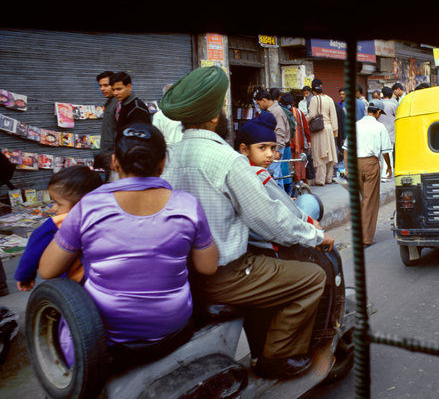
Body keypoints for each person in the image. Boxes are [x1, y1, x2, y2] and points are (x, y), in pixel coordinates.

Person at [159, 66, 334, 378]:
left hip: (185, 274)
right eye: (223, 106)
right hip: (225, 274)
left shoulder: (171, 156)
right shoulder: (227, 160)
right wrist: (315, 236)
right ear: (214, 116)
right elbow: (269, 220)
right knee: (312, 277)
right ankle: (277, 357)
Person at [40, 123, 218, 366]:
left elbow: (47, 270)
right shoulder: (187, 205)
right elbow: (208, 267)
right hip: (172, 327)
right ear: (163, 162)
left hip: (105, 337)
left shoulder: (89, 206)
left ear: (114, 161)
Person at [237, 112, 321, 251]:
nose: (270, 154)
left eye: (272, 148)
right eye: (262, 147)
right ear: (244, 149)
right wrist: (311, 222)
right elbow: (290, 208)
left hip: (253, 238)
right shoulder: (259, 174)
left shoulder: (241, 170)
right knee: (310, 203)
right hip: (267, 241)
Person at [14, 166, 103, 292]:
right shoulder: (103, 215)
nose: (53, 208)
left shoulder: (61, 221)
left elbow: (34, 246)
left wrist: (24, 275)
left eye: (58, 203)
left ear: (79, 203)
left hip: (75, 283)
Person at [343, 99, 392, 247]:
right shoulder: (380, 127)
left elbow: (346, 149)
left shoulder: (356, 125)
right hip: (370, 164)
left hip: (354, 163)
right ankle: (365, 239)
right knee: (369, 200)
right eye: (379, 113)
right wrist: (389, 167)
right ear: (377, 112)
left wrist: (347, 169)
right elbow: (385, 152)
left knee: (360, 199)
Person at [254, 89, 290, 190]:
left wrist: (276, 150)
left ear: (264, 100)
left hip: (276, 147)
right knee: (277, 175)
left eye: (259, 103)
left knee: (274, 176)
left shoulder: (275, 112)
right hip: (274, 147)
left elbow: (280, 132)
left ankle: (279, 199)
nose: (259, 106)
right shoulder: (272, 110)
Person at [307, 79, 339, 186]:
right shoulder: (329, 99)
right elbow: (334, 116)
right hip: (329, 129)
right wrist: (335, 130)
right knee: (328, 154)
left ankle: (320, 180)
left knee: (319, 154)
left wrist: (303, 121)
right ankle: (328, 178)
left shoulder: (314, 99)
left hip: (319, 129)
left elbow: (312, 114)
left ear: (313, 92)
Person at [281, 92, 311, 184]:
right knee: (296, 166)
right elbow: (306, 128)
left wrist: (308, 140)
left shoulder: (283, 112)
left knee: (291, 166)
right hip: (294, 145)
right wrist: (308, 140)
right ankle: (298, 182)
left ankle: (294, 183)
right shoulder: (298, 112)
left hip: (293, 145)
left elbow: (305, 128)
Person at [94, 71, 118, 175]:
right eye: (100, 86)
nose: (102, 89)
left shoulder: (118, 104)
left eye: (105, 85)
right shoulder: (109, 103)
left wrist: (116, 154)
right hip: (108, 154)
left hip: (115, 156)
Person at [380, 86, 397, 179]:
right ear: (391, 95)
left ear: (382, 94)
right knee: (388, 153)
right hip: (390, 133)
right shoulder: (393, 105)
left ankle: (384, 173)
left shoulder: (378, 104)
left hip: (379, 132)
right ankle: (386, 174)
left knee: (381, 154)